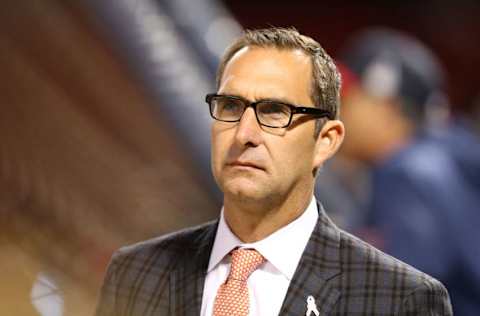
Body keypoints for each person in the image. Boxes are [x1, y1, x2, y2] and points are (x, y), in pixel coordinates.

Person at [95, 27, 452, 316]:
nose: (244, 134)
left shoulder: (401, 294)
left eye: (275, 112)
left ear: (326, 140)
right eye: (230, 106)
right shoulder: (135, 271)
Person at [336, 28, 480, 315]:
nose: (339, 109)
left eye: (350, 97)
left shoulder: (408, 173)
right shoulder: (447, 156)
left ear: (386, 107)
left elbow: (405, 296)